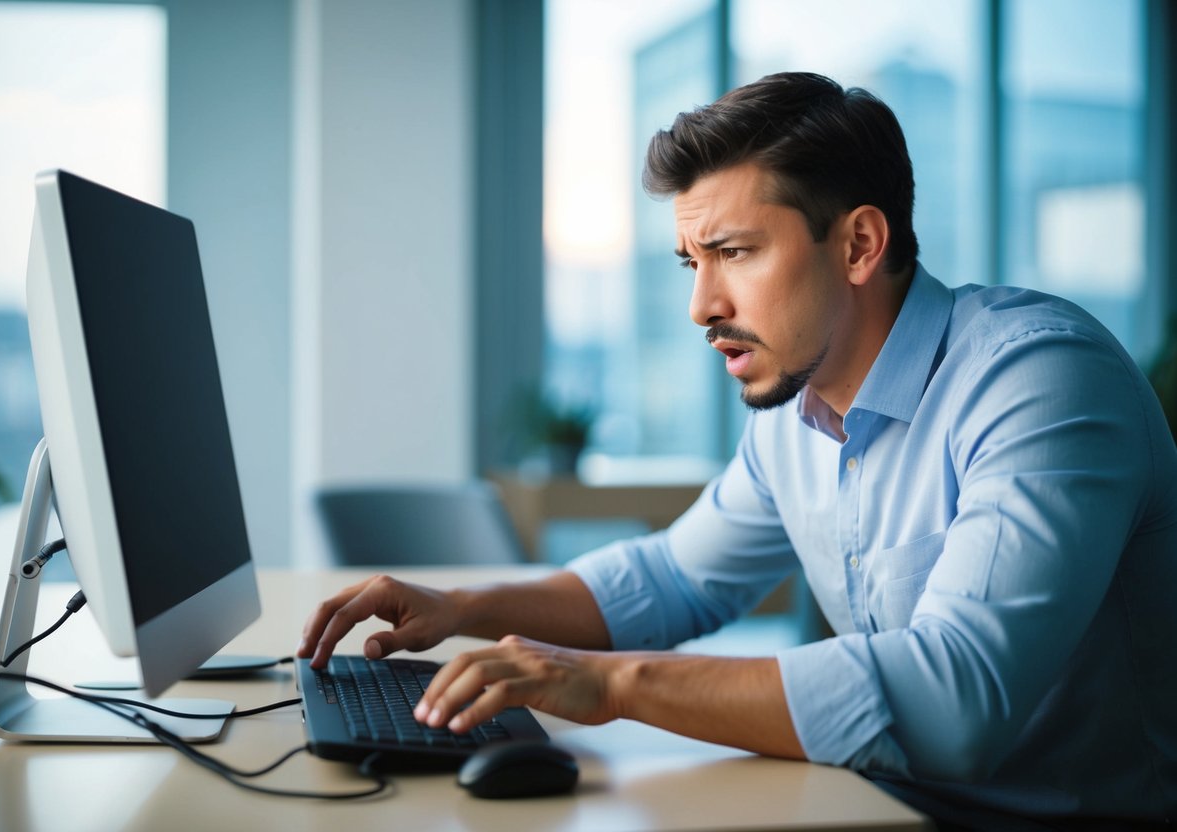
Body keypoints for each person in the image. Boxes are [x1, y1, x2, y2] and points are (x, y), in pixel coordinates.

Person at [297, 72, 1177, 828]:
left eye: (733, 253)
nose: (701, 306)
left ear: (859, 244)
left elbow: (956, 703)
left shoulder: (1039, 381)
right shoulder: (792, 418)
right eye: (690, 263)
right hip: (878, 805)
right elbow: (675, 579)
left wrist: (608, 685)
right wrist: (463, 609)